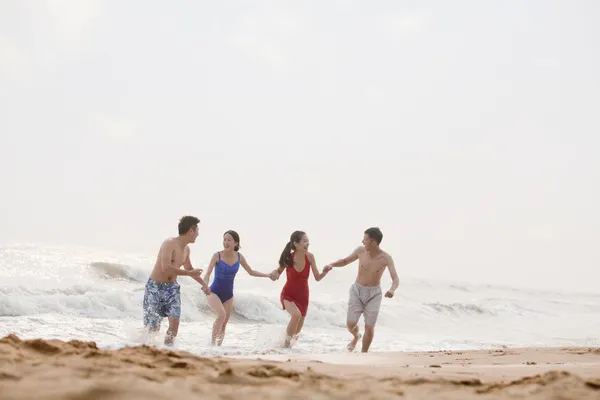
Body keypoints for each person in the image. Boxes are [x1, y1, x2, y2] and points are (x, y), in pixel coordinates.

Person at [323, 227, 399, 353]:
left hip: (374, 294)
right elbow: (345, 261)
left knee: (369, 328)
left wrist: (392, 289)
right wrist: (332, 265)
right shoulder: (360, 251)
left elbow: (395, 279)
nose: (362, 242)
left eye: (365, 239)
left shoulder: (386, 258)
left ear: (374, 242)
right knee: (350, 324)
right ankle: (356, 336)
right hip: (357, 291)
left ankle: (364, 354)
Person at [142, 215, 210, 346]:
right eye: (197, 231)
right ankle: (144, 350)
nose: (198, 234)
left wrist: (204, 284)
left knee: (174, 327)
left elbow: (189, 268)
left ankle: (168, 352)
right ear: (191, 230)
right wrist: (189, 273)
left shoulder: (186, 249)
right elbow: (165, 267)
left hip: (172, 289)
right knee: (153, 328)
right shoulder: (169, 243)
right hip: (155, 287)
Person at [203, 230, 278, 346]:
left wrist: (267, 275)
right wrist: (205, 285)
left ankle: (218, 348)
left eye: (229, 240)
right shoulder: (217, 255)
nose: (226, 242)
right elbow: (207, 274)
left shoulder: (239, 257)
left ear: (236, 243)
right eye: (224, 240)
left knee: (224, 323)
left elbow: (251, 271)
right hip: (213, 292)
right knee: (221, 315)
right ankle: (211, 346)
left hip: (228, 295)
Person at [272, 230, 332, 348]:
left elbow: (317, 277)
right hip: (288, 294)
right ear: (296, 244)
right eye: (305, 241)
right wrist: (273, 274)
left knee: (297, 333)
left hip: (303, 297)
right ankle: (285, 345)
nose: (308, 243)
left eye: (308, 241)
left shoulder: (310, 257)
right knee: (296, 315)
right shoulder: (289, 257)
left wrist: (324, 272)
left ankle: (289, 352)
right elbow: (278, 272)